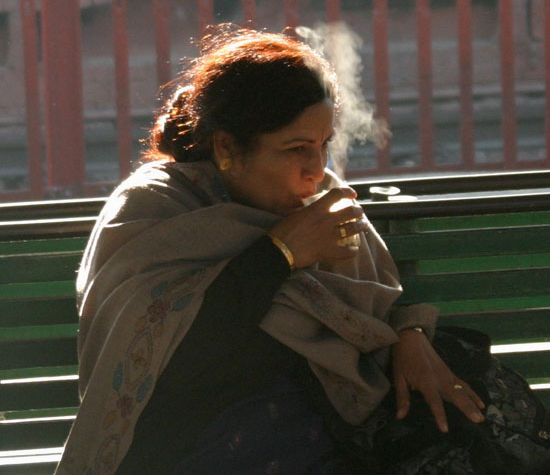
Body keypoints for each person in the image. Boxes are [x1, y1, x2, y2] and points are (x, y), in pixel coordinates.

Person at [55, 26, 549, 475]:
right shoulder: (155, 207)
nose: (316, 169)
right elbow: (162, 364)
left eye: (323, 144)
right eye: (295, 149)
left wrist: (410, 334)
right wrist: (280, 254)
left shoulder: (314, 198)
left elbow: (368, 300)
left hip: (331, 440)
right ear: (227, 148)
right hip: (195, 448)